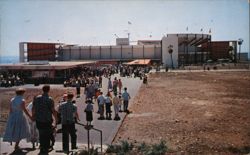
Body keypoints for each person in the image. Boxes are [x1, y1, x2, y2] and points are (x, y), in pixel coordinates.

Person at [32, 85, 57, 154]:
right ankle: (45, 148)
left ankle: (42, 147)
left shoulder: (37, 98)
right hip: (47, 120)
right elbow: (53, 110)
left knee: (41, 134)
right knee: (47, 134)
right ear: (48, 90)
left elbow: (33, 108)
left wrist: (33, 116)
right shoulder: (50, 99)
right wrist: (56, 119)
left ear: (42, 90)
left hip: (39, 119)